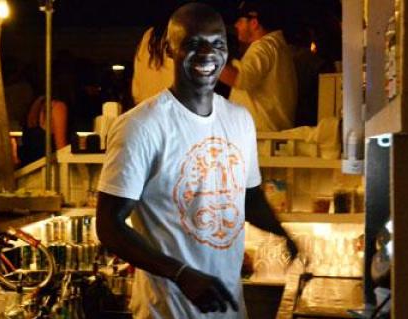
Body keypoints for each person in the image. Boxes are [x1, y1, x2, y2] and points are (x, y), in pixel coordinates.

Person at [97, 3, 297, 318]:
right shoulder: (141, 125)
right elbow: (109, 225)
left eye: (218, 44)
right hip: (167, 310)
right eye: (193, 44)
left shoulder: (239, 119)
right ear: (169, 48)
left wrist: (284, 234)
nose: (208, 54)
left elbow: (249, 196)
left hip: (227, 309)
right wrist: (181, 274)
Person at [220, 0, 297, 132]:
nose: (236, 25)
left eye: (240, 21)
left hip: (262, 140)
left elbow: (242, 79)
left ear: (254, 23)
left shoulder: (263, 46)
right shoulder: (276, 46)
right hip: (267, 139)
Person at [131, 5, 175, 105]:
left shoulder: (148, 36)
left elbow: (136, 89)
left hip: (147, 107)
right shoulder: (181, 35)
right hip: (172, 108)